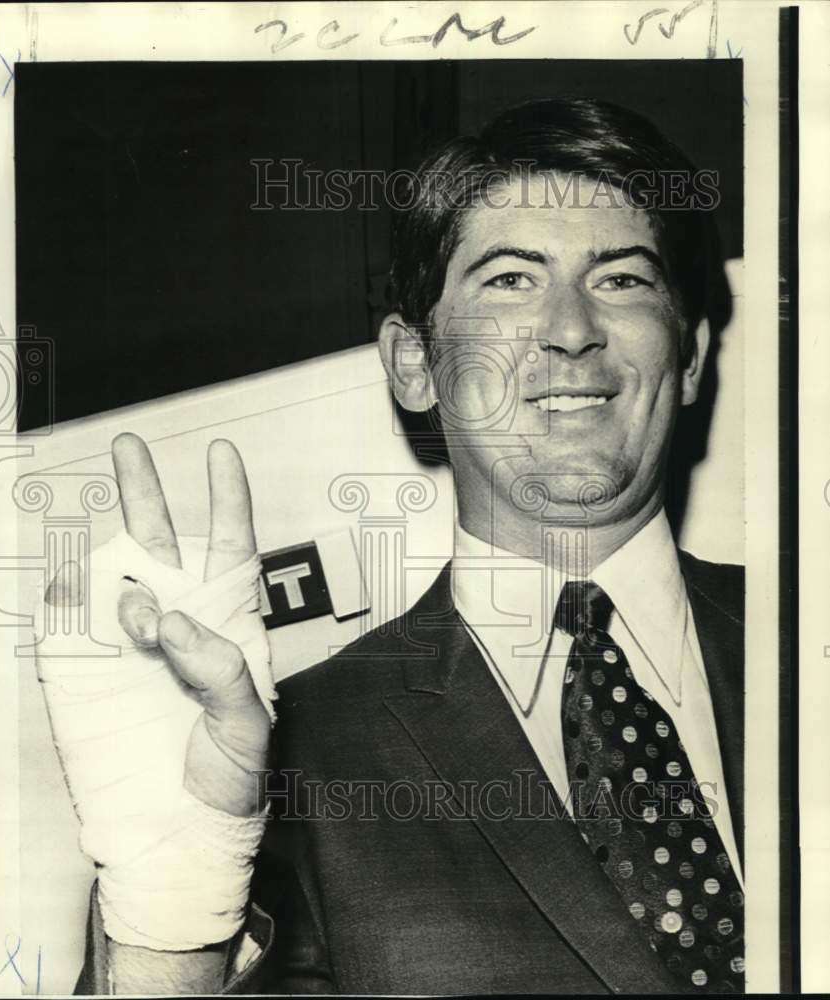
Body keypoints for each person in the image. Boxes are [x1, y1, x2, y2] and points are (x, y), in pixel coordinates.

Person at [47, 98, 744, 994]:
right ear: (413, 364)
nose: (571, 330)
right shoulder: (283, 755)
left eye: (621, 280)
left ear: (687, 356)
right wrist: (169, 891)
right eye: (509, 280)